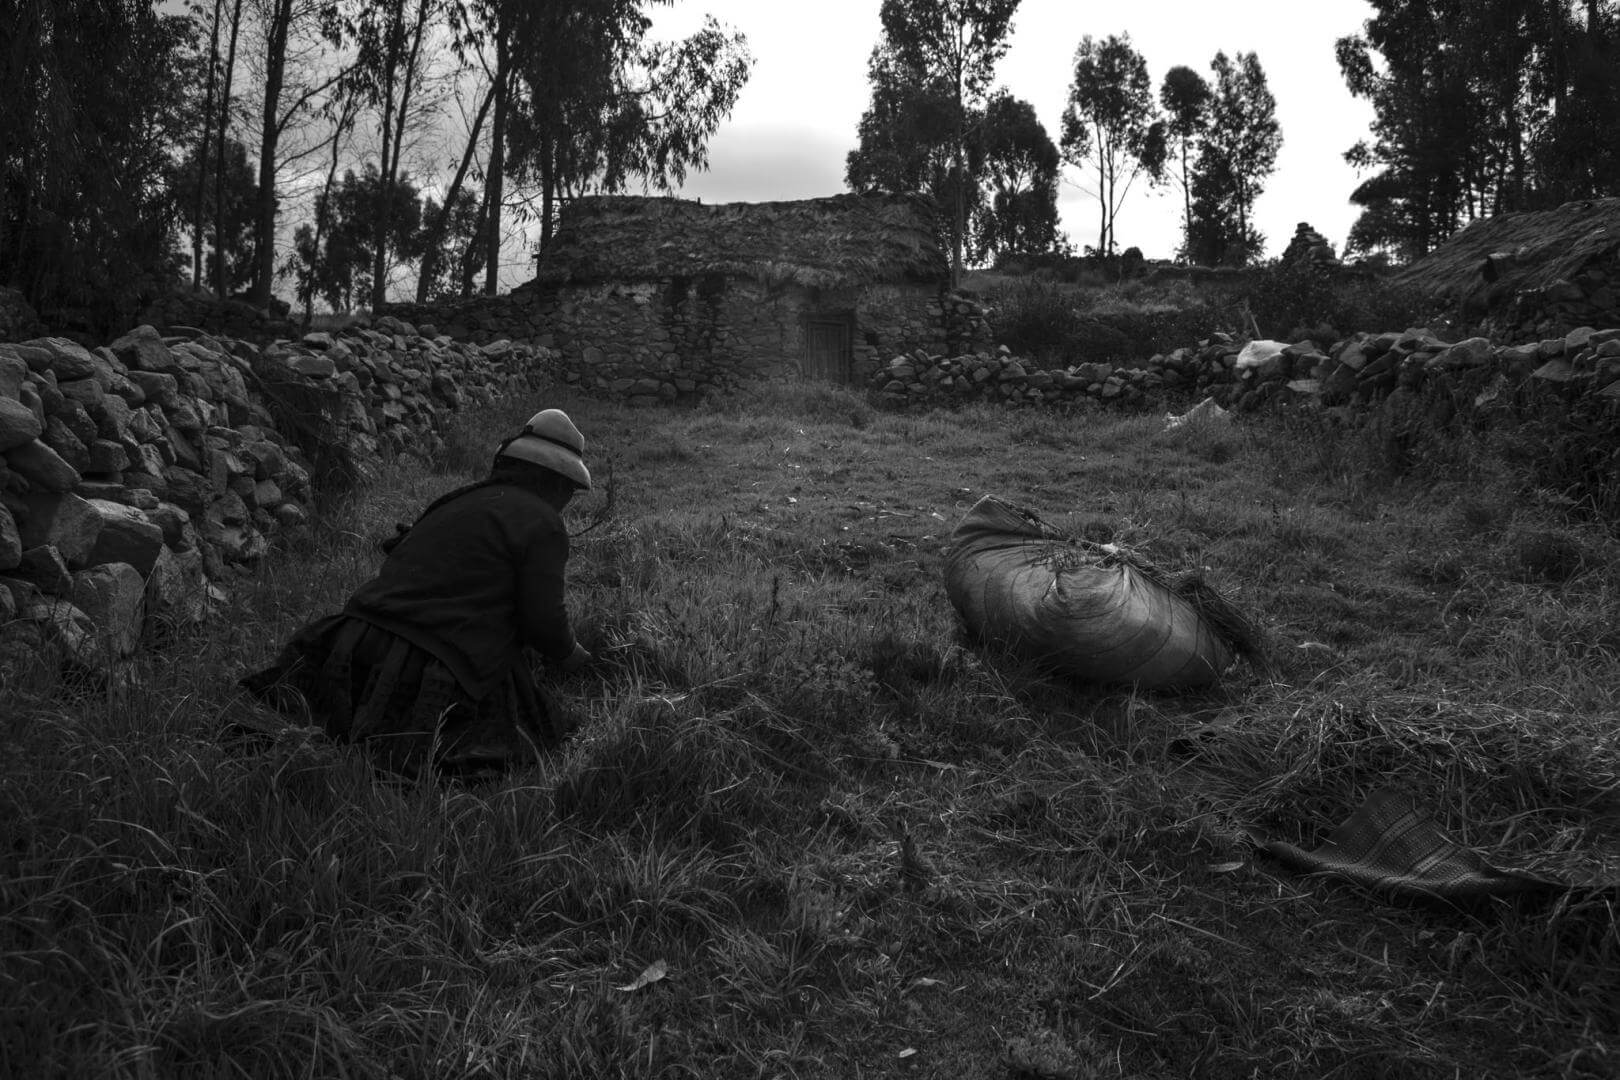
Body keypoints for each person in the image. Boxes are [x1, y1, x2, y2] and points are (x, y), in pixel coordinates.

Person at [240, 408, 595, 777]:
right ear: (553, 482)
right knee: (539, 734)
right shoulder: (544, 523)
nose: (567, 498)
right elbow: (543, 619)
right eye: (568, 487)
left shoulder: (456, 500)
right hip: (435, 657)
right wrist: (576, 658)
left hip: (355, 639)